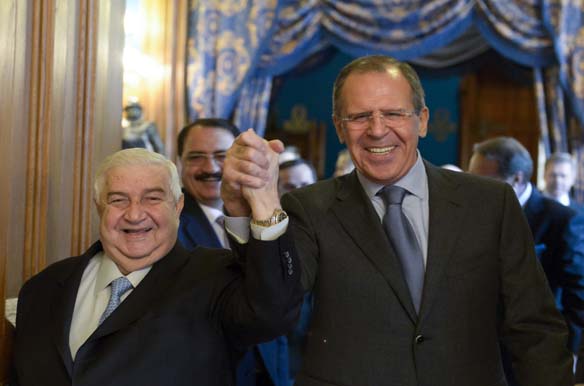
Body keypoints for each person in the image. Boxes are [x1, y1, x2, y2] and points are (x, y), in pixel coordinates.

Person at [221, 55, 573, 386]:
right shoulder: (309, 207)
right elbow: (272, 313)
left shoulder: (490, 203)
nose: (377, 130)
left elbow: (533, 327)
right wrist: (252, 206)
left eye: (393, 113)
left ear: (422, 121)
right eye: (359, 117)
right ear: (340, 129)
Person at [11, 148, 302, 386]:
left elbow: (273, 313)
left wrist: (264, 204)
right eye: (118, 200)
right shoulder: (43, 288)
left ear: (177, 207)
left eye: (152, 198)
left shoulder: (215, 278)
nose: (135, 214)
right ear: (99, 207)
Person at [468, 137, 584, 357]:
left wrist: (568, 357)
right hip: (480, 349)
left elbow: (578, 297)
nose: (472, 187)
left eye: (481, 179)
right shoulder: (471, 214)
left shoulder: (563, 220)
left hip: (539, 349)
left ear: (516, 179)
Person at [177, 118, 239, 250]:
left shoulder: (258, 216)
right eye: (196, 157)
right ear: (179, 162)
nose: (211, 169)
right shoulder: (168, 224)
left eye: (222, 156)